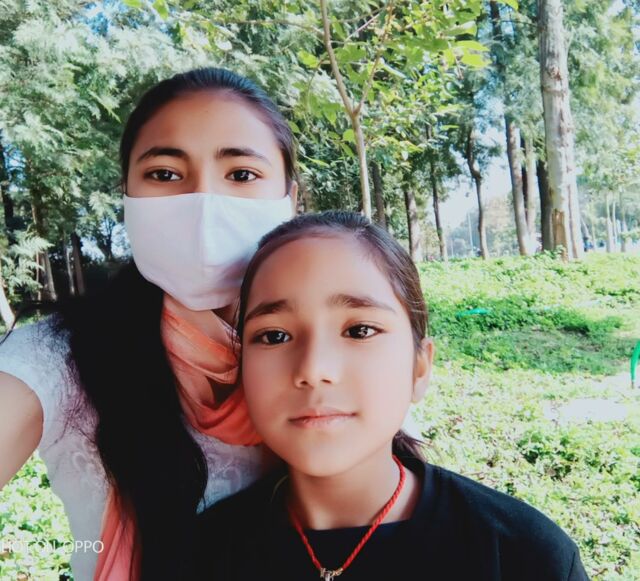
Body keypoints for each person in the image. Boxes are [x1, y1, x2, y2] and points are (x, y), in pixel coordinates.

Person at [0, 67, 298, 581]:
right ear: (127, 195)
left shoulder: (335, 344)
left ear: (291, 197)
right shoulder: (60, 357)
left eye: (242, 174)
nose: (203, 204)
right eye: (164, 173)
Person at [196, 211, 589, 581]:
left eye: (360, 330)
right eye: (274, 335)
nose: (314, 369)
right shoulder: (200, 555)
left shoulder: (524, 557)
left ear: (419, 368)